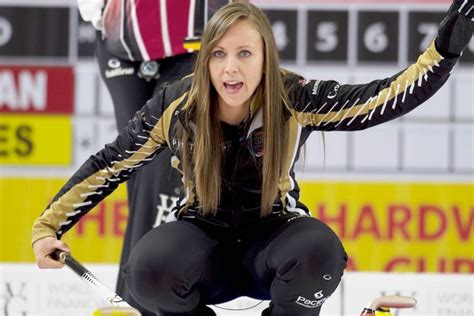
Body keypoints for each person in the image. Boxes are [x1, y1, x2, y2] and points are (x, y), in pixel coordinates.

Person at [33, 1, 473, 315]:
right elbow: (112, 163)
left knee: (320, 250)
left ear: (265, 59)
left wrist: (442, 54)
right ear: (204, 62)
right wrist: (48, 228)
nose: (231, 69)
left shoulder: (292, 96)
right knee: (145, 268)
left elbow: (381, 99)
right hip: (203, 249)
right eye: (219, 55)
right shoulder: (177, 104)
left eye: (245, 54)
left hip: (272, 244)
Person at [77, 0, 228, 314]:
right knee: (139, 169)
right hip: (122, 43)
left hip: (194, 41)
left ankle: (135, 301)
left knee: (160, 167)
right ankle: (144, 298)